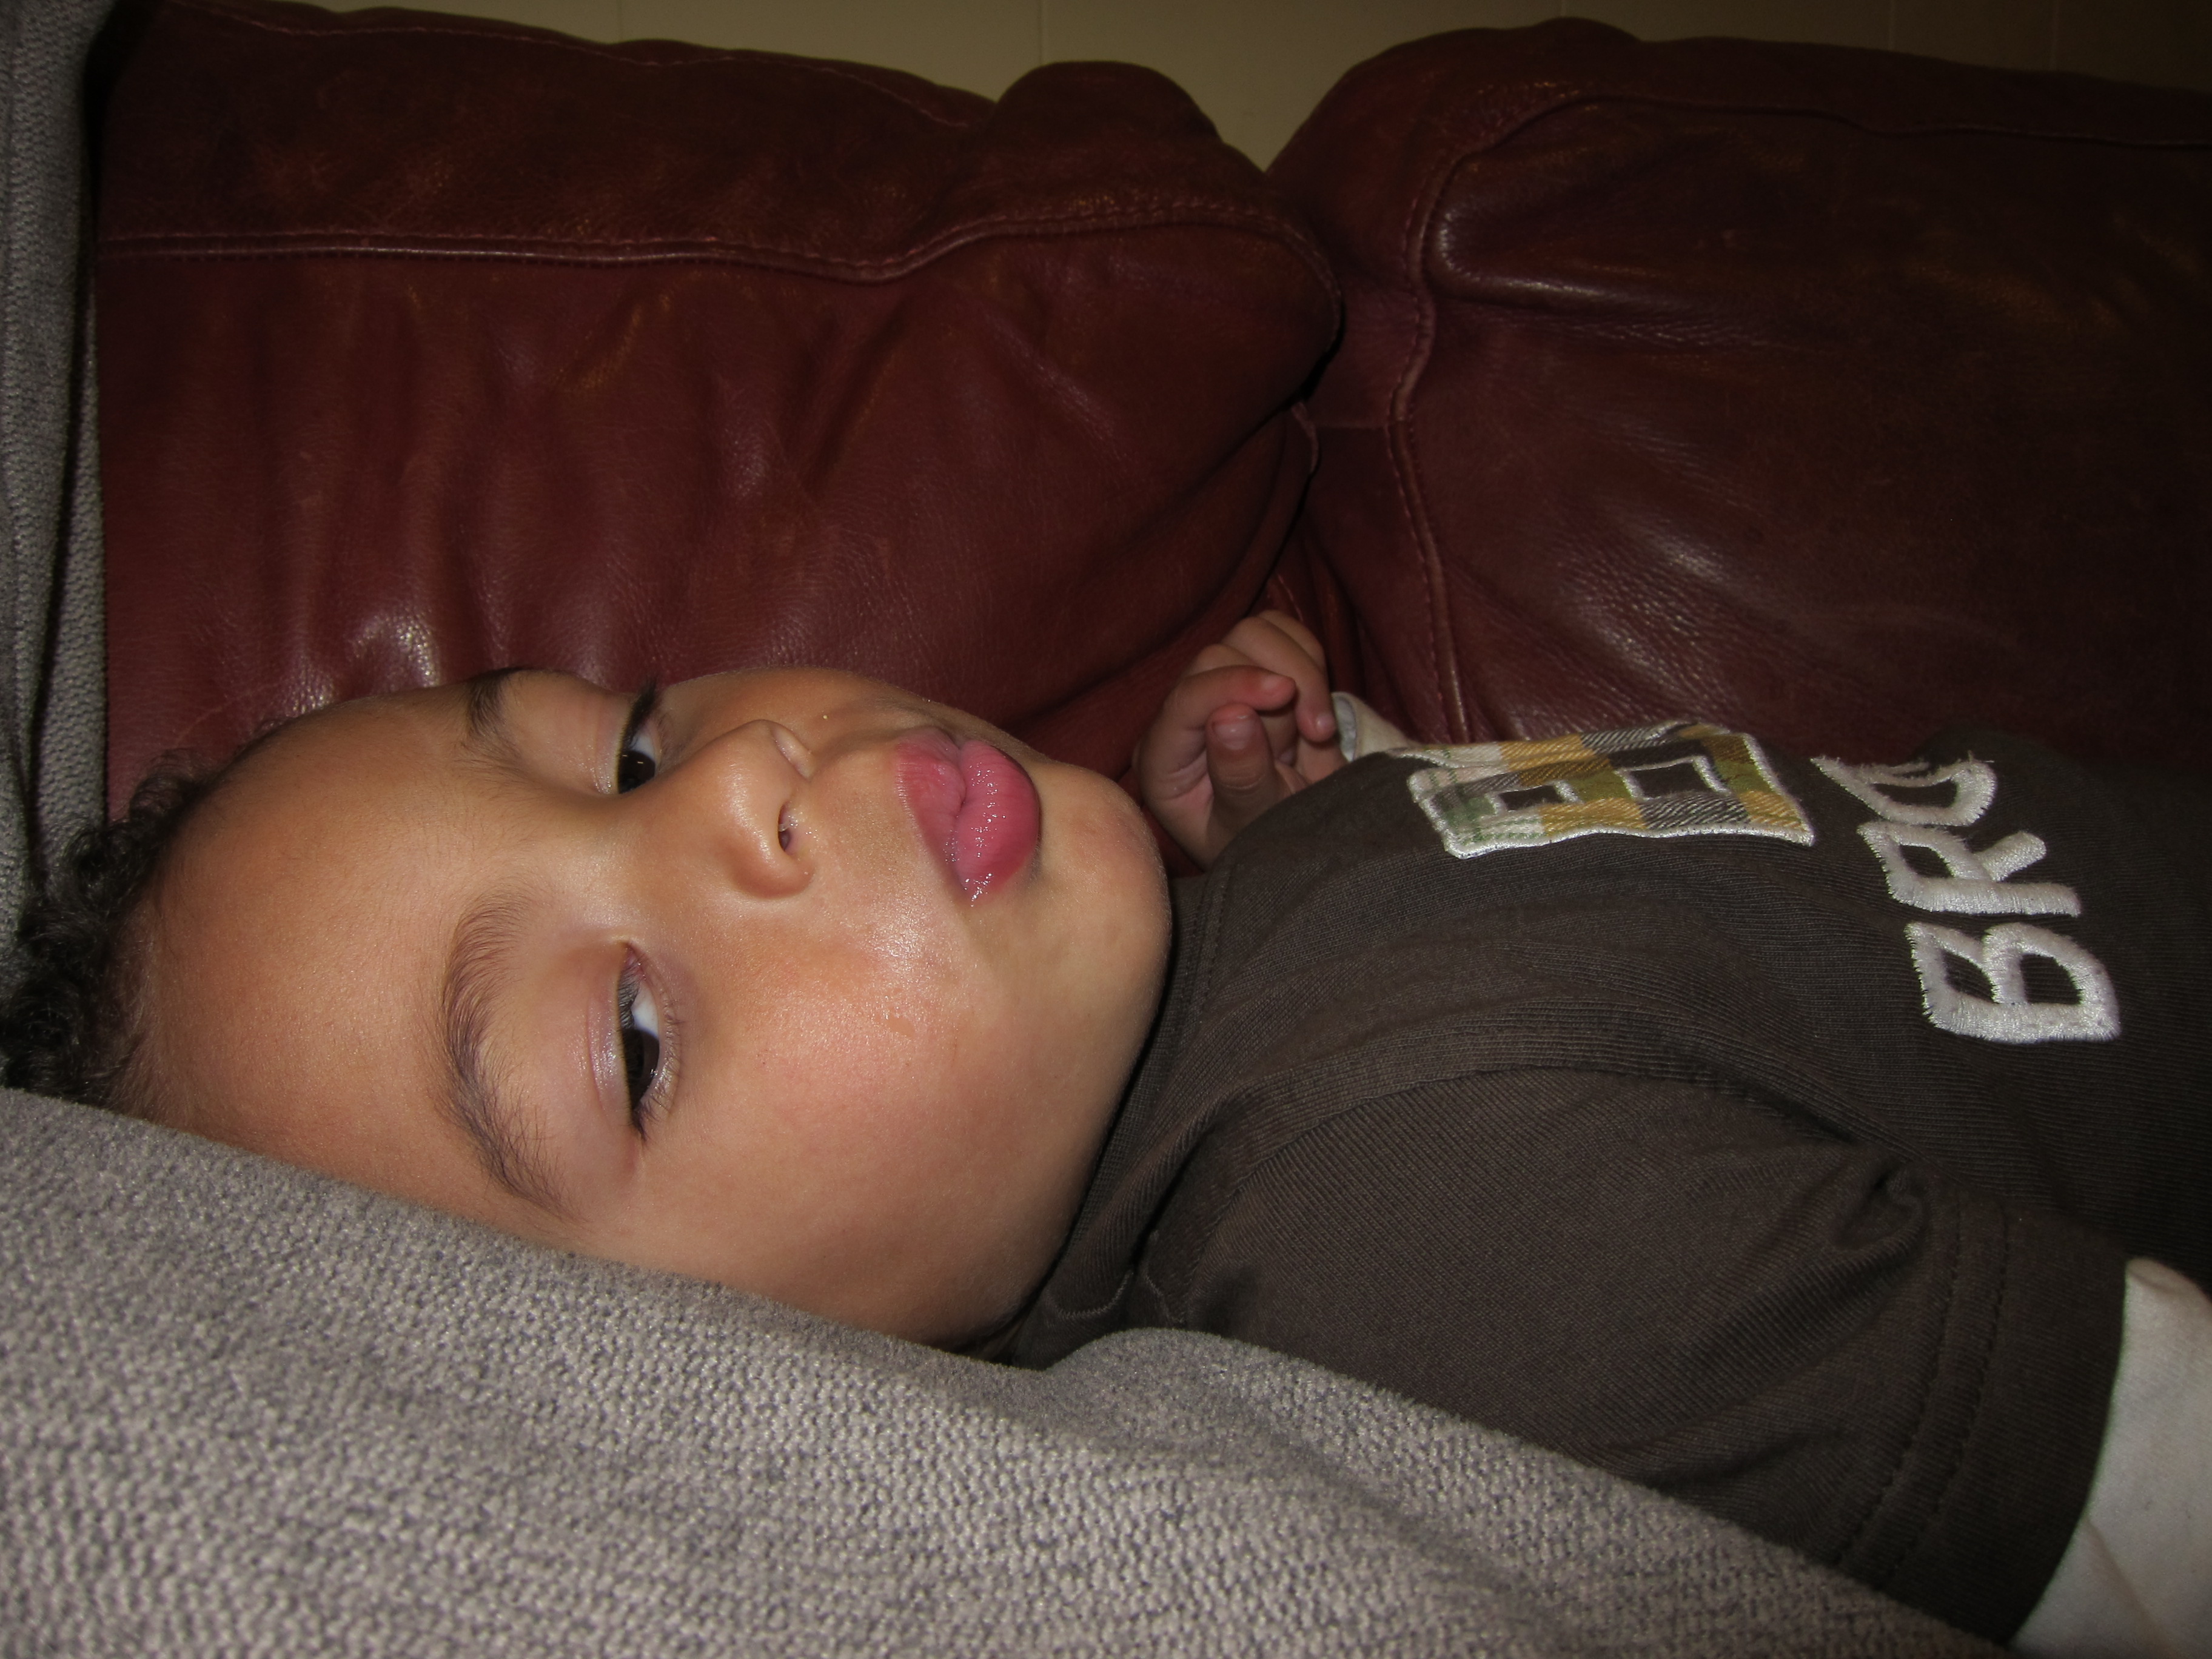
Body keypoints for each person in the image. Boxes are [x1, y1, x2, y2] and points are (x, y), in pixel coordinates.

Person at [3, 613, 2207, 1652]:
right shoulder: (1430, 1238)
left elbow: (1626, 926)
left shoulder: (1244, 1014)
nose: (742, 778)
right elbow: (2141, 1506)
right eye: (639, 1046)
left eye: (630, 744)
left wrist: (1301, 815)